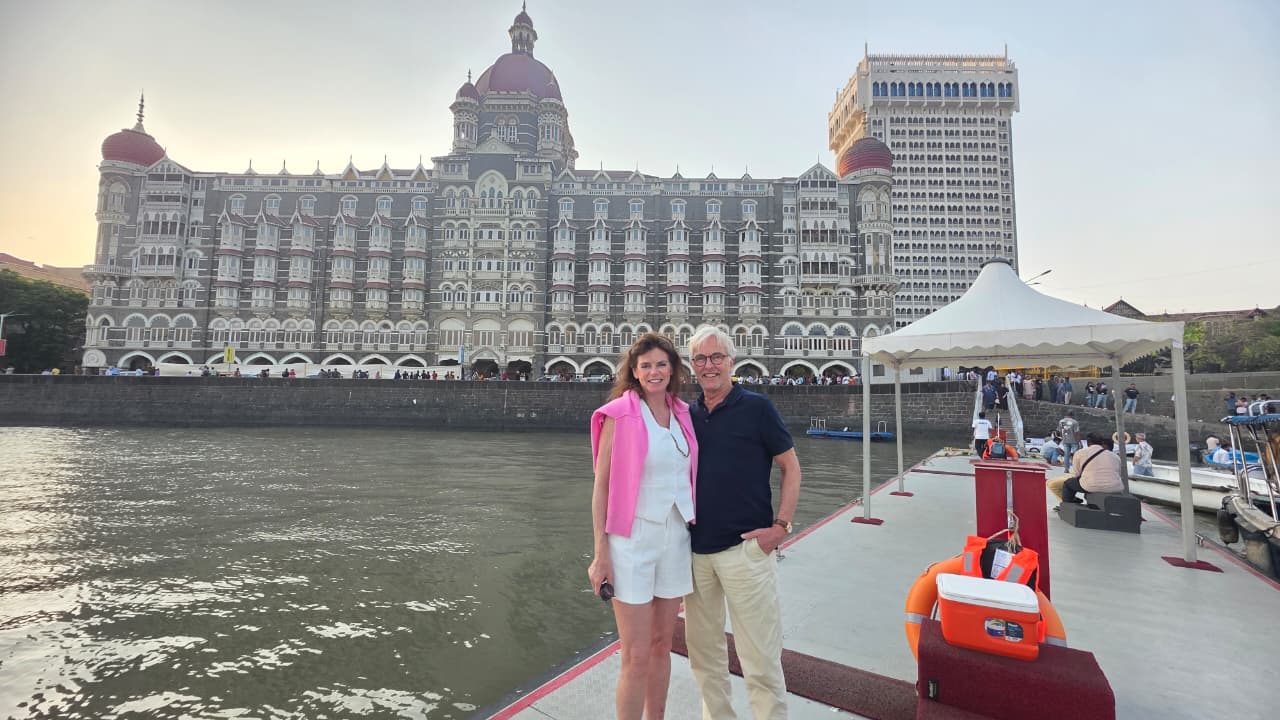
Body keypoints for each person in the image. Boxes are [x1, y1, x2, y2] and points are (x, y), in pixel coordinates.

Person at [684, 326, 800, 720]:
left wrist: (780, 526)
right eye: (701, 358)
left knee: (761, 659)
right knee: (705, 659)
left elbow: (791, 467)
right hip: (696, 555)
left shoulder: (758, 408)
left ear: (732, 362)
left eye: (717, 357)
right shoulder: (688, 415)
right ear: (692, 367)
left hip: (746, 551)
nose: (709, 365)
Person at [588, 332, 698, 720]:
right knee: (634, 655)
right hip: (631, 541)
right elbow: (601, 486)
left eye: (662, 364)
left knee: (661, 645)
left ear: (673, 369)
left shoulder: (683, 414)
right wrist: (601, 554)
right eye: (646, 365)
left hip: (676, 538)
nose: (655, 372)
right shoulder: (619, 414)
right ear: (634, 372)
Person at [1047, 432, 1124, 508]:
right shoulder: (1115, 456)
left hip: (1092, 486)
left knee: (1068, 483)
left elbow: (1077, 474)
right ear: (1101, 442)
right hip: (1116, 487)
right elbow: (1119, 474)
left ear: (1088, 442)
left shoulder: (1080, 453)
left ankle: (1068, 506)